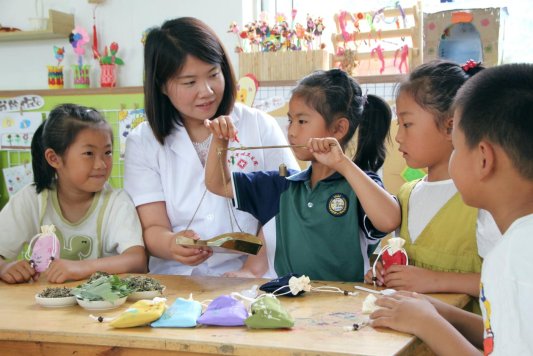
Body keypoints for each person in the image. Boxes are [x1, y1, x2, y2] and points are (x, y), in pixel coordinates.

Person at [370, 63, 533, 355]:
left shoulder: (515, 257)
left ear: (484, 159)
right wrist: (435, 311)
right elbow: (499, 333)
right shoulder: (519, 245)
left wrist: (427, 324)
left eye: (456, 147)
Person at [124, 17, 298, 277]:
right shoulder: (143, 141)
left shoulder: (259, 126)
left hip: (254, 271)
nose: (206, 91)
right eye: (189, 82)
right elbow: (152, 227)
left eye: (213, 75)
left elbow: (290, 202)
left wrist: (254, 266)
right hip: (177, 277)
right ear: (161, 85)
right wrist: (172, 245)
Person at [204, 69, 401, 282]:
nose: (291, 131)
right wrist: (220, 141)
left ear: (339, 128)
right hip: (289, 305)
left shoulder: (360, 186)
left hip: (345, 307)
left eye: (302, 121)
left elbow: (389, 221)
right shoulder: (281, 185)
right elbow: (218, 184)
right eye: (290, 120)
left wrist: (342, 164)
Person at [364, 60, 501, 297]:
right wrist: (386, 271)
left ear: (450, 128)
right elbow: (407, 270)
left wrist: (437, 280)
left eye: (407, 124)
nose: (398, 137)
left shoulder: (482, 201)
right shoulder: (407, 194)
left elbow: (506, 283)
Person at [0, 104, 147, 284]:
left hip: (100, 306)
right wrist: (4, 268)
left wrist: (82, 268)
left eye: (107, 152)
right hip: (42, 306)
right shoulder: (32, 199)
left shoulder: (116, 202)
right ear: (54, 158)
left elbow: (137, 260)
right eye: (89, 153)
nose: (101, 164)